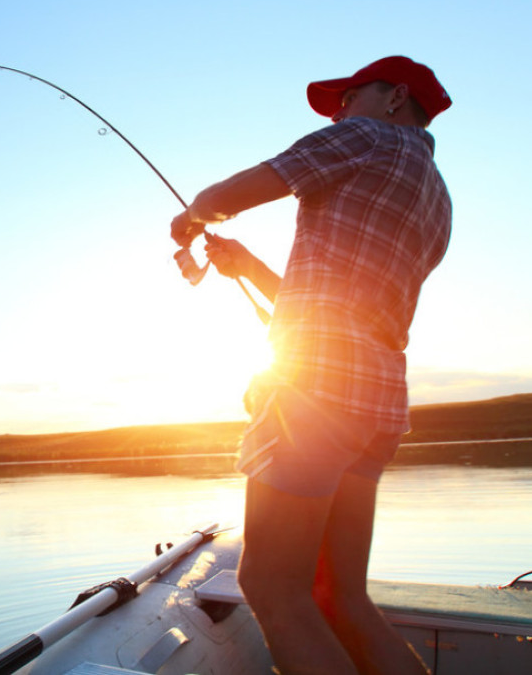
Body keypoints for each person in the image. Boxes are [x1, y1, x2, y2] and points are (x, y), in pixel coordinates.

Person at [170, 56, 453, 675]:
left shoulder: (366, 135)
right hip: (376, 404)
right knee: (341, 597)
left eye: (350, 97)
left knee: (273, 587)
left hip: (315, 395)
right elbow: (345, 306)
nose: (339, 111)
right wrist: (246, 267)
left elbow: (225, 198)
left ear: (395, 97)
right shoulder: (438, 196)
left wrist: (192, 216)